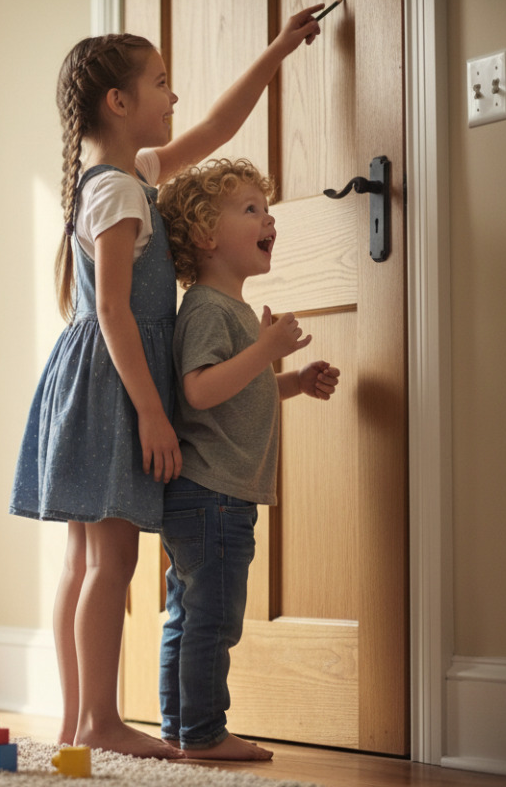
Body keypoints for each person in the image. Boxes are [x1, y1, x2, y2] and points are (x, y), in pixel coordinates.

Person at [9, 5, 329, 759]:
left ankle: (78, 722)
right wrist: (152, 413)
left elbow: (217, 128)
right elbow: (116, 309)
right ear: (119, 104)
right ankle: (98, 721)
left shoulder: (125, 177)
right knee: (108, 563)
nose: (173, 96)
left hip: (94, 381)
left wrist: (277, 50)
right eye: (160, 83)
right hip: (116, 385)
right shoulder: (119, 192)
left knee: (86, 563)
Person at [155, 158, 340, 760]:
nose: (271, 220)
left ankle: (181, 728)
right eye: (252, 210)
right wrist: (265, 349)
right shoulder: (209, 308)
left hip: (211, 494)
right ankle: (204, 733)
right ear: (208, 235)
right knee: (213, 618)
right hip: (214, 496)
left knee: (190, 614)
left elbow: (233, 395)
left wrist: (291, 380)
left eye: (268, 209)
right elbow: (200, 391)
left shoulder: (230, 308)